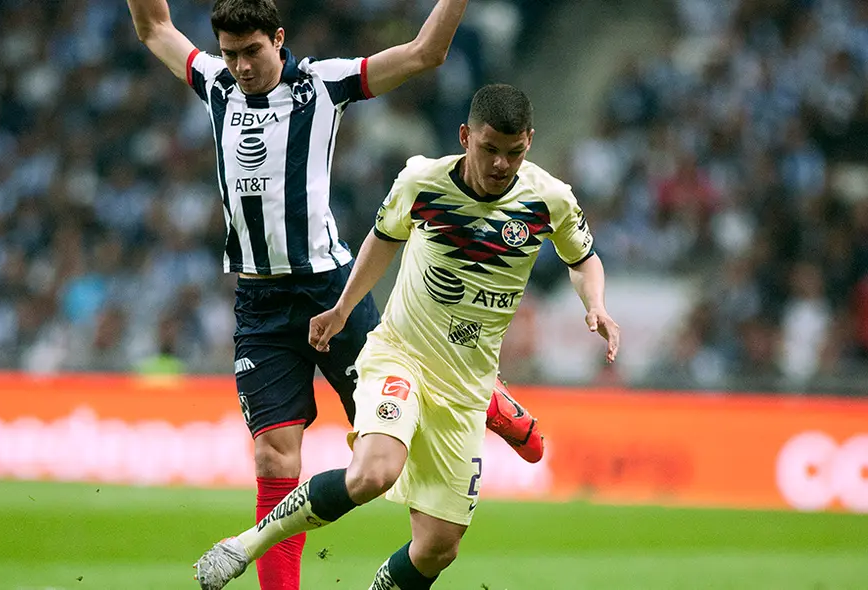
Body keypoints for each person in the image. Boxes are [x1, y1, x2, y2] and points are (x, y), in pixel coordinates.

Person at [125, 1, 545, 587]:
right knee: (274, 456)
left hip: (329, 290)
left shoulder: (322, 84)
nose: (241, 67)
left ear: (279, 39)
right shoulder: (215, 84)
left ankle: (487, 398)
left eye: (252, 52)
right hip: (260, 306)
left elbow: (425, 53)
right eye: (230, 54)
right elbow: (154, 27)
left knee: (399, 430)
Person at [193, 83, 620, 589]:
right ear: (465, 137)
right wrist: (342, 309)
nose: (501, 164)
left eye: (513, 152)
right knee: (372, 473)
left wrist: (595, 303)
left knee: (439, 547)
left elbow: (583, 259)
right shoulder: (423, 182)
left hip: (465, 387)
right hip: (402, 358)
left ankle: (489, 403)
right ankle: (243, 546)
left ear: (529, 140)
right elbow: (381, 242)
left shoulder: (550, 199)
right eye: (489, 149)